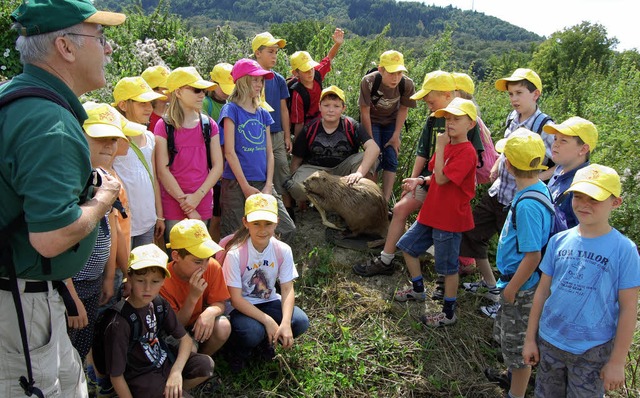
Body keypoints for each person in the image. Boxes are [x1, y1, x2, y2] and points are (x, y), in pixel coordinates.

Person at [0, 1, 125, 396]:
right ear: (65, 48)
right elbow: (51, 237)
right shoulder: (49, 124)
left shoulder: (22, 100)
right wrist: (104, 197)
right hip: (20, 303)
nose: (108, 50)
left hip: (35, 292)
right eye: (101, 39)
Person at [354, 70, 483, 284]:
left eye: (431, 101)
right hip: (427, 179)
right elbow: (422, 152)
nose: (428, 106)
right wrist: (412, 181)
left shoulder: (466, 121)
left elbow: (470, 159)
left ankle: (449, 272)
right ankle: (386, 259)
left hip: (448, 185)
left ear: (447, 96)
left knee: (442, 228)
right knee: (399, 209)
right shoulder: (433, 120)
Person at [523, 164, 640, 397]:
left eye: (594, 199)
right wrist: (529, 339)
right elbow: (542, 292)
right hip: (550, 341)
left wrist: (616, 362)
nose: (583, 204)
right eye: (578, 196)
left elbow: (629, 308)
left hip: (592, 350)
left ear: (615, 202)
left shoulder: (624, 250)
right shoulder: (558, 241)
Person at [460, 68, 555, 318]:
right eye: (511, 94)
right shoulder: (513, 117)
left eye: (519, 93)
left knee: (515, 254)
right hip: (498, 192)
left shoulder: (545, 126)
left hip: (518, 200)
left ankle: (504, 301)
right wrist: (495, 165)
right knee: (473, 234)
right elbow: (506, 149)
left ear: (536, 94)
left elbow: (558, 165)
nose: (514, 99)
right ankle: (490, 284)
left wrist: (533, 177)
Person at [66, 102, 147, 366]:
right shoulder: (68, 183)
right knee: (65, 346)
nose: (109, 146)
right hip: (68, 286)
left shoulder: (104, 179)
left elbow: (112, 230)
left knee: (84, 338)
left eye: (114, 139)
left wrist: (109, 275)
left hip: (94, 279)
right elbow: (58, 244)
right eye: (99, 138)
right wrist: (71, 296)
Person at [391, 98, 478, 327]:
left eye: (456, 119)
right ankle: (418, 289)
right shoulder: (448, 146)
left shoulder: (467, 152)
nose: (449, 123)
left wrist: (439, 147)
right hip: (431, 212)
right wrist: (420, 179)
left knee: (448, 268)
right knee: (407, 247)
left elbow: (441, 177)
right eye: (448, 118)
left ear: (471, 124)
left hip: (449, 219)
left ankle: (449, 313)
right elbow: (436, 176)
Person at [486, 128, 554, 398]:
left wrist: (512, 288)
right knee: (508, 340)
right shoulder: (538, 189)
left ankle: (516, 394)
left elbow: (532, 255)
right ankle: (512, 381)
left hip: (523, 287)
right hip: (518, 281)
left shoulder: (528, 205)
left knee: (518, 352)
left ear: (509, 165)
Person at [102, 244, 214, 398]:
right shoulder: (120, 323)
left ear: (163, 281)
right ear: (129, 278)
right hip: (141, 377)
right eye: (141, 280)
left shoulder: (158, 303)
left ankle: (173, 391)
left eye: (155, 281)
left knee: (205, 365)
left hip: (162, 361)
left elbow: (186, 340)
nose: (147, 288)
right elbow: (116, 375)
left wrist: (176, 372)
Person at [221, 193, 309, 371]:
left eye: (268, 224)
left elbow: (287, 289)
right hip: (241, 306)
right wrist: (268, 320)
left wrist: (285, 322)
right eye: (256, 224)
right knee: (252, 331)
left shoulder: (283, 250)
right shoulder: (236, 254)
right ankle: (238, 350)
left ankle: (265, 343)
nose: (262, 230)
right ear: (245, 223)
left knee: (299, 321)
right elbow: (236, 299)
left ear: (277, 221)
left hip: (269, 300)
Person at [219, 58, 296, 242]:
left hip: (263, 182)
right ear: (242, 81)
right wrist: (245, 187)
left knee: (286, 228)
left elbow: (269, 152)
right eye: (255, 79)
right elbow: (229, 152)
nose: (259, 84)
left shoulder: (262, 112)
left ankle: (267, 265)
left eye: (261, 80)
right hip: (236, 184)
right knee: (234, 237)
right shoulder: (231, 110)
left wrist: (269, 184)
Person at [154, 66, 224, 243]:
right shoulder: (163, 126)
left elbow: (218, 166)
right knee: (176, 258)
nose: (202, 94)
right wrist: (187, 204)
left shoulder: (209, 125)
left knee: (199, 256)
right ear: (178, 92)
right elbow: (162, 170)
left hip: (202, 200)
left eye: (203, 90)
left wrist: (197, 197)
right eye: (196, 90)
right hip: (173, 203)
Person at [285, 85, 380, 201]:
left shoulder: (351, 125)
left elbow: (374, 148)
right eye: (326, 105)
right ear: (319, 107)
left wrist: (359, 173)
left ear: (343, 108)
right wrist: (296, 196)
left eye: (336, 106)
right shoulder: (310, 128)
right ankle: (320, 201)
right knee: (296, 187)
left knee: (370, 158)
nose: (331, 110)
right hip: (315, 171)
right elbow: (296, 161)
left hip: (343, 170)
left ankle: (362, 199)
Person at [160, 219, 231, 356]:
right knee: (189, 348)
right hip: (176, 329)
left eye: (208, 258)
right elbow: (175, 326)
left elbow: (220, 303)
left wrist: (210, 312)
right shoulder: (163, 281)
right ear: (176, 256)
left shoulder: (213, 266)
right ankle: (192, 368)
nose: (204, 267)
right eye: (197, 261)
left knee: (223, 327)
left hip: (200, 324)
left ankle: (203, 359)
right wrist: (192, 297)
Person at [112, 76, 167, 248]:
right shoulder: (113, 138)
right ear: (123, 105)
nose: (149, 108)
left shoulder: (150, 137)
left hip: (148, 221)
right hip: (123, 222)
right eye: (142, 103)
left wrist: (159, 215)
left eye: (150, 103)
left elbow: (154, 179)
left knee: (143, 272)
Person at [358, 50, 417, 202]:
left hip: (392, 122)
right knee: (374, 159)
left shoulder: (407, 84)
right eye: (391, 73)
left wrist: (396, 135)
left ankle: (384, 201)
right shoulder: (368, 82)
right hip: (372, 121)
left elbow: (404, 109)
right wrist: (370, 141)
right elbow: (365, 112)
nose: (396, 78)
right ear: (381, 69)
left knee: (391, 158)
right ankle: (372, 198)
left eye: (399, 73)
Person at [542, 116, 598, 230]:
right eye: (555, 138)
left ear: (583, 149)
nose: (555, 144)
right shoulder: (559, 170)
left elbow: (586, 233)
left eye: (563, 140)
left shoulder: (583, 187)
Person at [289, 28, 344, 138]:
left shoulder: (317, 73)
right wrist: (299, 146)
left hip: (324, 118)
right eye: (305, 70)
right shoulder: (297, 94)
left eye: (311, 68)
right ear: (296, 73)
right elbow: (299, 123)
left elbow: (329, 57)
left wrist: (337, 44)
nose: (310, 72)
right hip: (308, 127)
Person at [202, 62, 235, 242]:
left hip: (225, 163)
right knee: (212, 213)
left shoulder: (229, 105)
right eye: (223, 88)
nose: (227, 92)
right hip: (211, 165)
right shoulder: (206, 104)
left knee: (219, 213)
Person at [141, 65, 171, 132]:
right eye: (167, 87)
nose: (172, 90)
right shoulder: (144, 118)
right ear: (153, 90)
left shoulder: (176, 114)